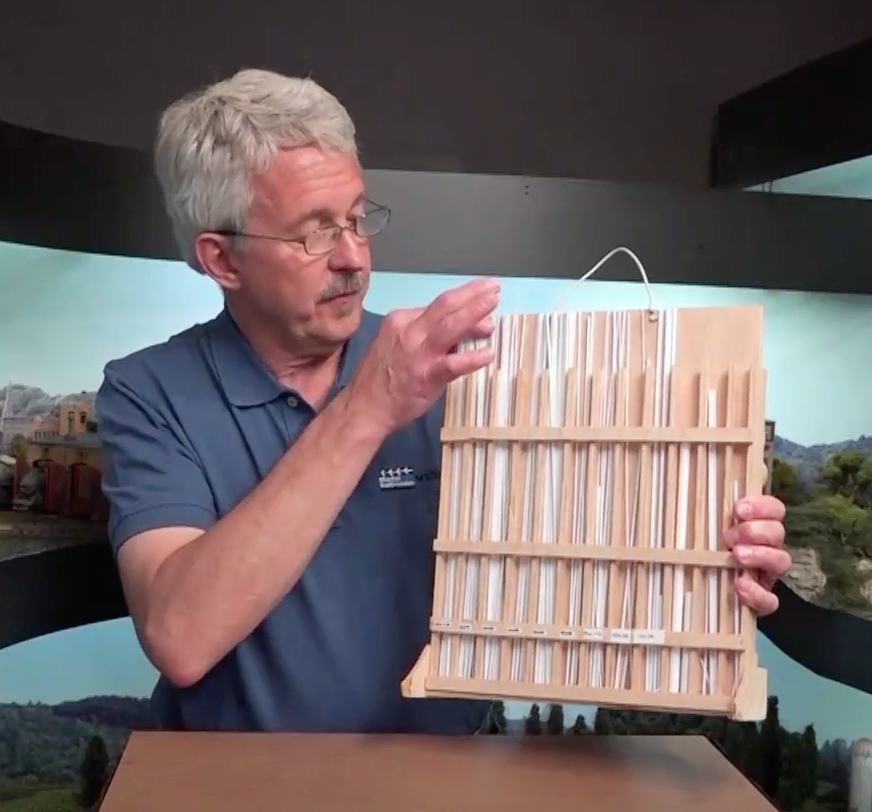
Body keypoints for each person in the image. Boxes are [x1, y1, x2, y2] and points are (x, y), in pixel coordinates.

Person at [96, 68, 792, 734]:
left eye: (359, 219)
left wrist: (711, 559)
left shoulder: (458, 374)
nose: (355, 259)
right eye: (315, 233)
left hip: (445, 772)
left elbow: (574, 573)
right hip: (237, 783)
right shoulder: (148, 392)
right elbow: (180, 638)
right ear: (221, 259)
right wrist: (367, 410)